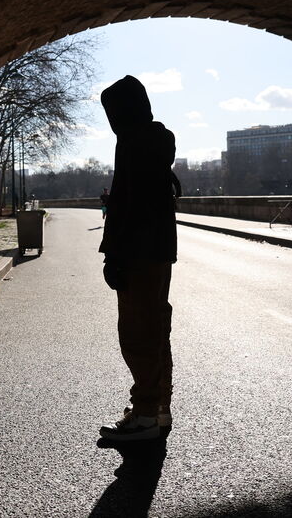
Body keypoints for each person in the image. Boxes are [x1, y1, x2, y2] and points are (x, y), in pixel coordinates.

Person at [97, 75, 178, 442]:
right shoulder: (156, 142)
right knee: (156, 329)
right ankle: (158, 408)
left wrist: (114, 256)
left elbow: (126, 207)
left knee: (137, 334)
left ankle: (145, 415)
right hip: (158, 251)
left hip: (137, 254)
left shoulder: (132, 143)